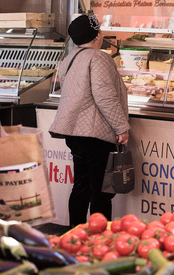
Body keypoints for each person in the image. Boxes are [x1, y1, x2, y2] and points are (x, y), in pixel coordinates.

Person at [48, 14, 130, 228]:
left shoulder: (69, 59)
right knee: (101, 191)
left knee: (81, 186)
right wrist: (121, 127)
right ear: (97, 35)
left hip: (74, 133)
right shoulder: (99, 58)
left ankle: (74, 233)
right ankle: (99, 237)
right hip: (95, 134)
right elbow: (105, 96)